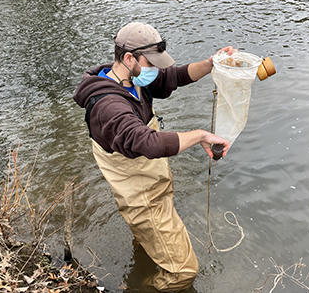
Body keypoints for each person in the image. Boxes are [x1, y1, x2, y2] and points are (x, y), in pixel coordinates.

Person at [73, 22, 233, 292]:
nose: (156, 71)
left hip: (151, 185)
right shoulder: (109, 106)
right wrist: (200, 135)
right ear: (128, 58)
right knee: (184, 271)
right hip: (143, 200)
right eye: (152, 63)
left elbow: (175, 76)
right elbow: (145, 142)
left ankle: (143, 263)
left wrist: (210, 64)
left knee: (150, 247)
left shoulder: (131, 78)